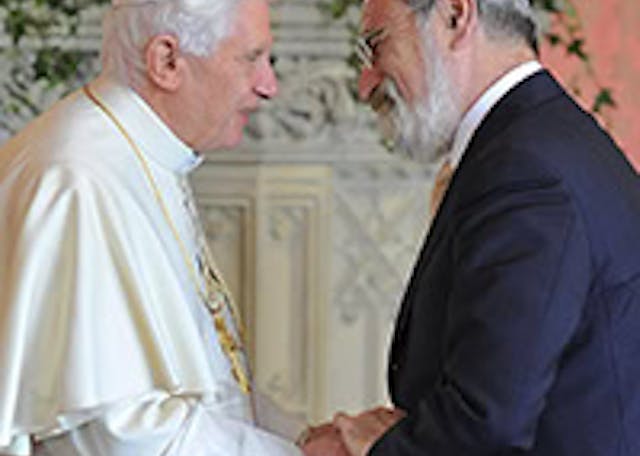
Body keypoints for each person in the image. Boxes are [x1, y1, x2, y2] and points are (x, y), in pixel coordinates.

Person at [302, 0, 640, 454]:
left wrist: (365, 450)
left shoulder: (527, 169)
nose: (366, 82)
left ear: (455, 16)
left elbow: (485, 429)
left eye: (376, 45)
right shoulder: (539, 140)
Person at [0, 0, 303, 454]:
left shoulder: (142, 156)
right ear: (167, 61)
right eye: (251, 58)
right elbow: (115, 433)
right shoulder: (78, 181)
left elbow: (207, 378)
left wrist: (301, 436)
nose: (268, 86)